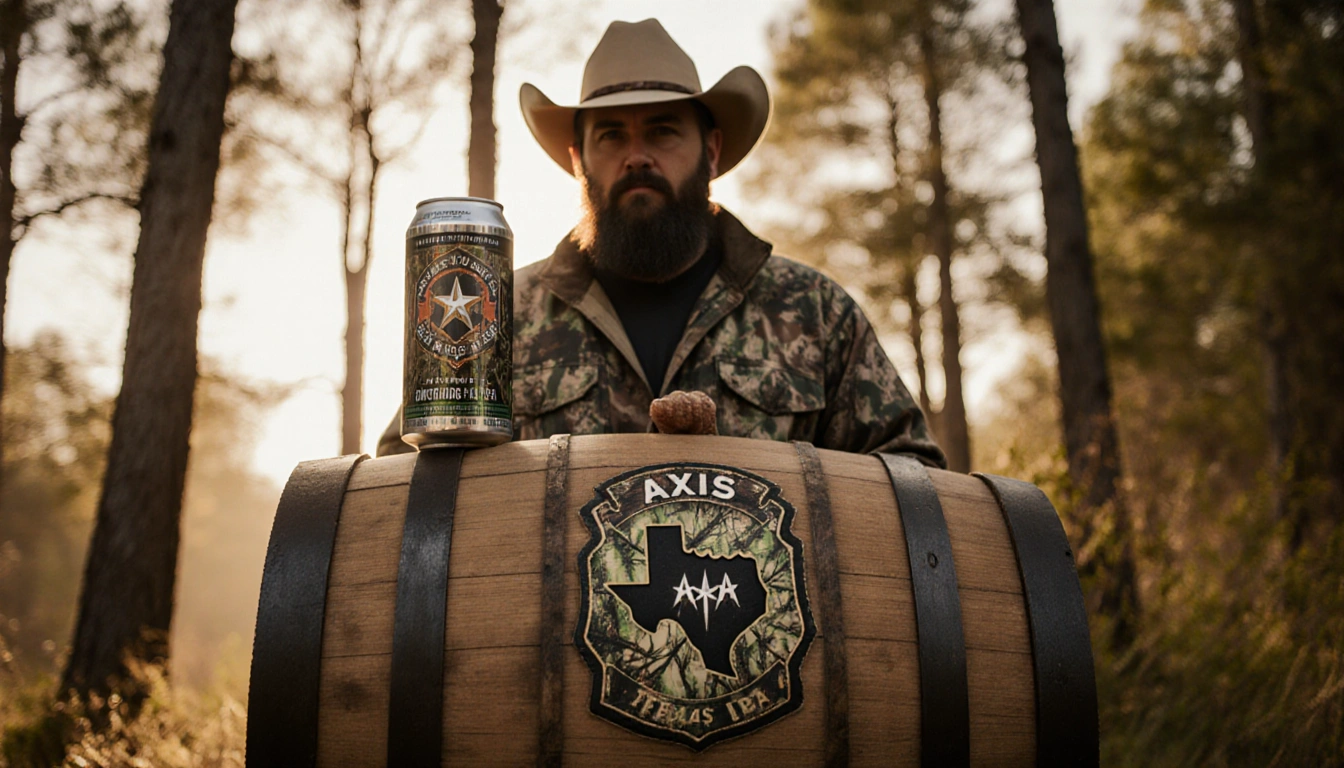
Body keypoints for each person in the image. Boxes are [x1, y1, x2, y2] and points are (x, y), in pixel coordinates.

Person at [379, 18, 943, 466]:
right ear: (578, 161)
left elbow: (915, 488)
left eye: (663, 129)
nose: (637, 155)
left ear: (713, 150)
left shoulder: (816, 312)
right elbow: (398, 479)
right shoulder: (498, 315)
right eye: (611, 134)